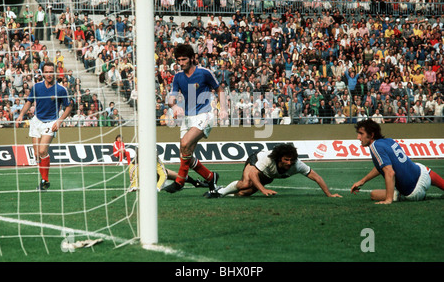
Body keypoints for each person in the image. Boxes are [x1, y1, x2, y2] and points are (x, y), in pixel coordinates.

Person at [165, 44, 227, 193]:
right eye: (179, 60)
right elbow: (171, 99)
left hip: (204, 114)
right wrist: (174, 107)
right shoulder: (178, 77)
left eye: (184, 59)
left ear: (192, 58)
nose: (181, 63)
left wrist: (223, 109)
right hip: (187, 117)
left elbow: (219, 89)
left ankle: (180, 182)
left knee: (185, 143)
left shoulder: (204, 73)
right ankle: (211, 177)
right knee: (185, 154)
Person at [351, 119, 444, 204]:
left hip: (413, 193)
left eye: (361, 134)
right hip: (425, 175)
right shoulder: (389, 141)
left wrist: (388, 200)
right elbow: (382, 165)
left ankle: (398, 196)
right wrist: (363, 181)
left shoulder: (374, 146)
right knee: (419, 167)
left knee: (374, 194)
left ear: (371, 135)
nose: (358, 137)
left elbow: (390, 172)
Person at [207, 143, 342, 198]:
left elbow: (316, 177)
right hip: (256, 162)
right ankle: (219, 193)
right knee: (246, 183)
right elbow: (254, 173)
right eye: (286, 160)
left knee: (244, 194)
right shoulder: (268, 158)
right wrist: (263, 190)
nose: (289, 163)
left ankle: (225, 191)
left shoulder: (297, 164)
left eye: (291, 160)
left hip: (268, 175)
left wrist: (329, 194)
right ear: (279, 158)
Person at [15, 62, 73, 191]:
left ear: (54, 72)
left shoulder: (61, 89)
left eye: (51, 72)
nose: (49, 74)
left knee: (42, 151)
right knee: (36, 154)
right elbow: (29, 102)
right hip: (36, 121)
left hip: (51, 122)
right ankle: (44, 182)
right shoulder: (37, 87)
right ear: (43, 73)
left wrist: (59, 121)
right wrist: (21, 115)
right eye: (46, 72)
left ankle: (45, 181)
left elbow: (69, 106)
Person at [127, 150, 208, 192]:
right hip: (146, 179)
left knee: (177, 176)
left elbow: (163, 174)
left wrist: (157, 188)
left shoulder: (155, 160)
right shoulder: (134, 165)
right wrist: (134, 186)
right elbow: (132, 177)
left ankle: (195, 183)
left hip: (155, 175)